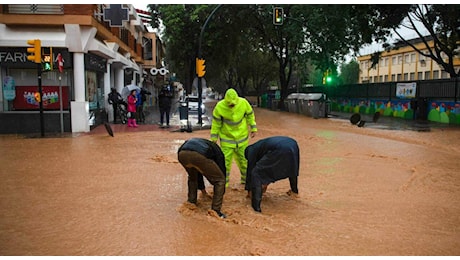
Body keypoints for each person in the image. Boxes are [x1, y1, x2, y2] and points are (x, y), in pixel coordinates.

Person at [210, 88, 257, 187]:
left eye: (233, 103)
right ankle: (224, 184)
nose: (231, 105)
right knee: (225, 163)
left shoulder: (243, 103)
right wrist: (214, 137)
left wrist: (253, 128)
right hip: (227, 140)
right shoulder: (219, 107)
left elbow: (250, 115)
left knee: (244, 161)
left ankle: (246, 182)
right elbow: (216, 124)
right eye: (229, 103)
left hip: (242, 138)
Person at [244, 136, 300, 213]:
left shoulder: (251, 150)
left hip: (281, 148)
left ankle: (256, 209)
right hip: (293, 144)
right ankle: (294, 192)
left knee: (256, 173)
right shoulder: (260, 146)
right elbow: (269, 167)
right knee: (292, 167)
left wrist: (249, 190)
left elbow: (250, 170)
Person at [177, 138, 227, 218]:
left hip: (182, 154)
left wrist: (203, 190)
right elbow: (221, 171)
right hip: (199, 155)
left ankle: (191, 202)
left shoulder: (205, 144)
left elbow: (199, 171)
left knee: (192, 177)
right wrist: (222, 189)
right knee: (220, 180)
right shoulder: (218, 152)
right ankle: (215, 211)